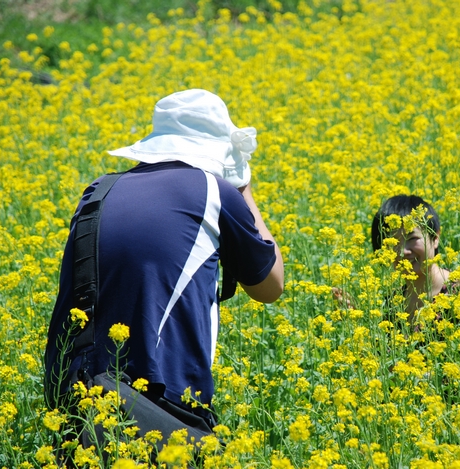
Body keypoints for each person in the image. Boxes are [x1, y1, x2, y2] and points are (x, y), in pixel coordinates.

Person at [44, 89, 284, 436]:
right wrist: (242, 186)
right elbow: (270, 286)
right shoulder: (213, 191)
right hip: (158, 406)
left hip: (70, 395)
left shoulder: (98, 191)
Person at [371, 194, 459, 324]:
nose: (402, 252)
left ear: (435, 238)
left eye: (412, 238)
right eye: (393, 242)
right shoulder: (392, 304)